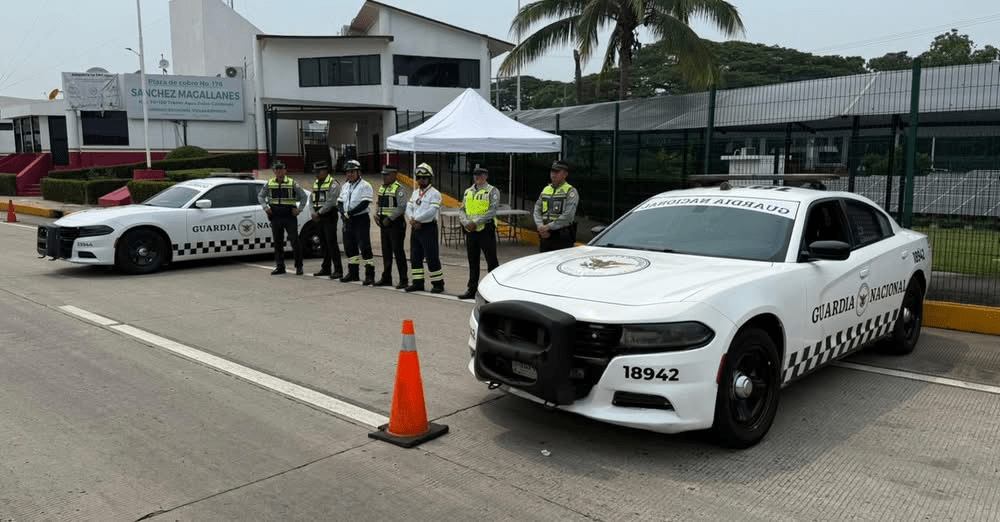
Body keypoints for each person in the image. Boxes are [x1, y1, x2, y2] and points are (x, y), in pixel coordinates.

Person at [258, 159, 308, 275]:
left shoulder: (292, 183)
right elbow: (260, 196)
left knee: (295, 241)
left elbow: (304, 197)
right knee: (278, 242)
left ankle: (299, 266)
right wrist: (265, 207)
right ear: (274, 171)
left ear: (285, 170)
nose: (279, 171)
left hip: (289, 216)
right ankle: (280, 266)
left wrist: (299, 209)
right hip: (275, 215)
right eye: (276, 169)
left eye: (281, 169)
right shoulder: (269, 183)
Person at [457, 166, 500, 299]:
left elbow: (492, 210)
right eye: (476, 175)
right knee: (473, 261)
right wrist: (466, 223)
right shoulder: (468, 191)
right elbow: (462, 210)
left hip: (485, 229)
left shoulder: (492, 191)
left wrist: (475, 222)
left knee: (491, 261)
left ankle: (494, 290)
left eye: (481, 175)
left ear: (486, 176)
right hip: (471, 231)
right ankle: (472, 289)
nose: (478, 177)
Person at [404, 162, 445, 293]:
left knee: (431, 257)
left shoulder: (435, 194)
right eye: (419, 178)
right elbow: (408, 207)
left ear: (429, 179)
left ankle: (438, 284)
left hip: (428, 228)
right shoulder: (415, 193)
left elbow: (432, 212)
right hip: (415, 228)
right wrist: (411, 220)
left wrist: (417, 219)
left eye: (424, 178)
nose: (421, 180)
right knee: (415, 257)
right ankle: (418, 283)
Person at [337, 159, 376, 285]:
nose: (350, 174)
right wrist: (343, 213)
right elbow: (340, 202)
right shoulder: (345, 186)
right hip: (348, 219)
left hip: (360, 219)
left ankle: (370, 275)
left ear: (358, 172)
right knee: (350, 247)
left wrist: (350, 213)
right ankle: (353, 273)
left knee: (364, 247)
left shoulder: (365, 185)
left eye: (352, 172)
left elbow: (364, 203)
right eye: (347, 172)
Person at [373, 164, 410, 289]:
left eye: (387, 175)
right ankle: (386, 277)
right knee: (386, 252)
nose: (384, 177)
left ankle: (403, 279)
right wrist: (376, 215)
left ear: (394, 175)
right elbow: (379, 203)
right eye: (383, 175)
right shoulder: (382, 188)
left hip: (395, 224)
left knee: (398, 252)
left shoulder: (398, 189)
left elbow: (401, 207)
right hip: (384, 224)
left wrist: (390, 218)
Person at [533, 159, 579, 252]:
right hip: (545, 234)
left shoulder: (570, 191)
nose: (553, 174)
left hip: (562, 236)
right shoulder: (546, 189)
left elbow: (568, 215)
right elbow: (537, 209)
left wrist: (548, 227)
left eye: (557, 171)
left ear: (565, 174)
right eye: (552, 171)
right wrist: (540, 226)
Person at [309, 160, 343, 279]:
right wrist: (313, 212)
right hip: (318, 217)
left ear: (325, 171)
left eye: (318, 172)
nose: (316, 174)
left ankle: (338, 269)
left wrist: (319, 212)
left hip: (329, 215)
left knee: (331, 243)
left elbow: (331, 202)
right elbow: (311, 199)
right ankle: (326, 268)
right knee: (323, 243)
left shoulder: (333, 184)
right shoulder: (316, 183)